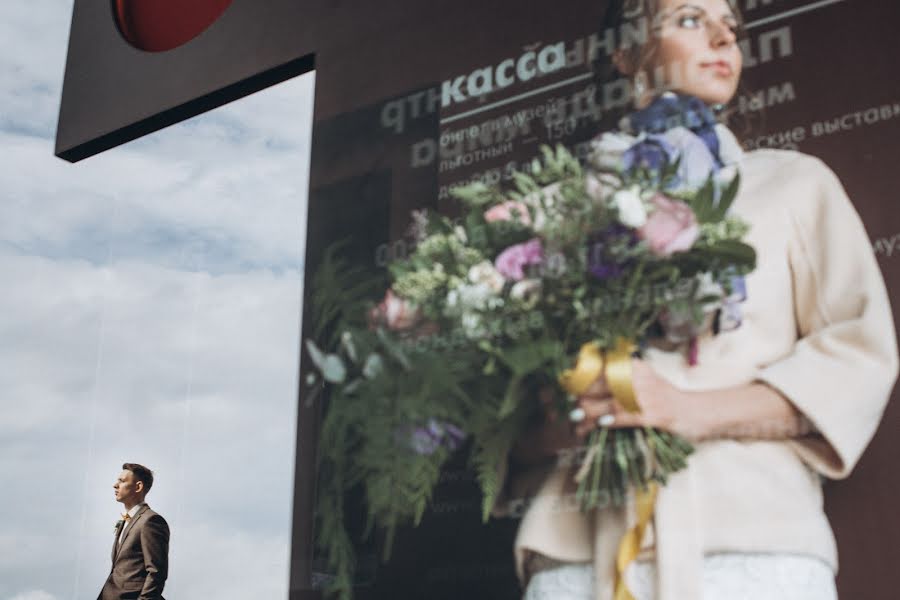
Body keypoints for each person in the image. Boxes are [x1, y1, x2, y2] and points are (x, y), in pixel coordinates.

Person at [491, 1, 900, 599]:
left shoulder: (793, 182)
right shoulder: (554, 210)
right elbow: (503, 422)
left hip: (752, 545)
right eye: (689, 18)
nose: (721, 36)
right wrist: (569, 419)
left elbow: (859, 360)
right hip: (579, 556)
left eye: (730, 25)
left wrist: (683, 409)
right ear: (628, 55)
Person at [98, 463, 170, 600]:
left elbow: (157, 572)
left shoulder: (151, 521)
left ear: (138, 487)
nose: (115, 485)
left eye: (122, 481)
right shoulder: (125, 521)